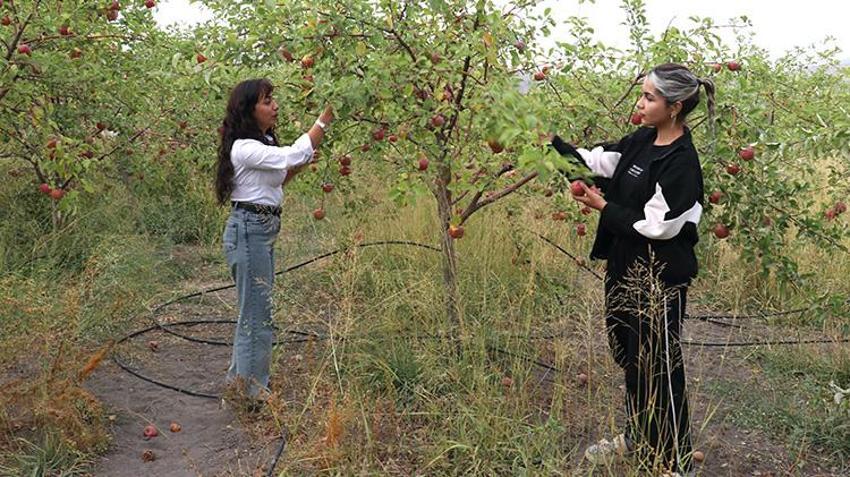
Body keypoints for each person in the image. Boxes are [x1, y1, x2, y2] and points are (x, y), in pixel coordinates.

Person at [550, 63, 715, 476]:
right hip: (624, 264)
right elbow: (592, 163)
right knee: (630, 355)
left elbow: (660, 227)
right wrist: (549, 144)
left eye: (649, 98)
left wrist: (604, 207)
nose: (640, 104)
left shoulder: (681, 163)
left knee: (659, 363)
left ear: (675, 107)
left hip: (659, 274)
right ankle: (640, 435)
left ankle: (678, 461)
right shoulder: (640, 141)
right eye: (642, 95)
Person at [214, 78, 334, 404]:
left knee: (253, 314)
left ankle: (239, 385)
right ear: (249, 109)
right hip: (250, 230)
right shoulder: (244, 147)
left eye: (273, 99)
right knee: (257, 317)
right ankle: (253, 395)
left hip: (259, 229)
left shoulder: (260, 144)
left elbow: (278, 178)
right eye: (267, 101)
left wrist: (301, 165)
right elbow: (292, 153)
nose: (275, 105)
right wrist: (324, 119)